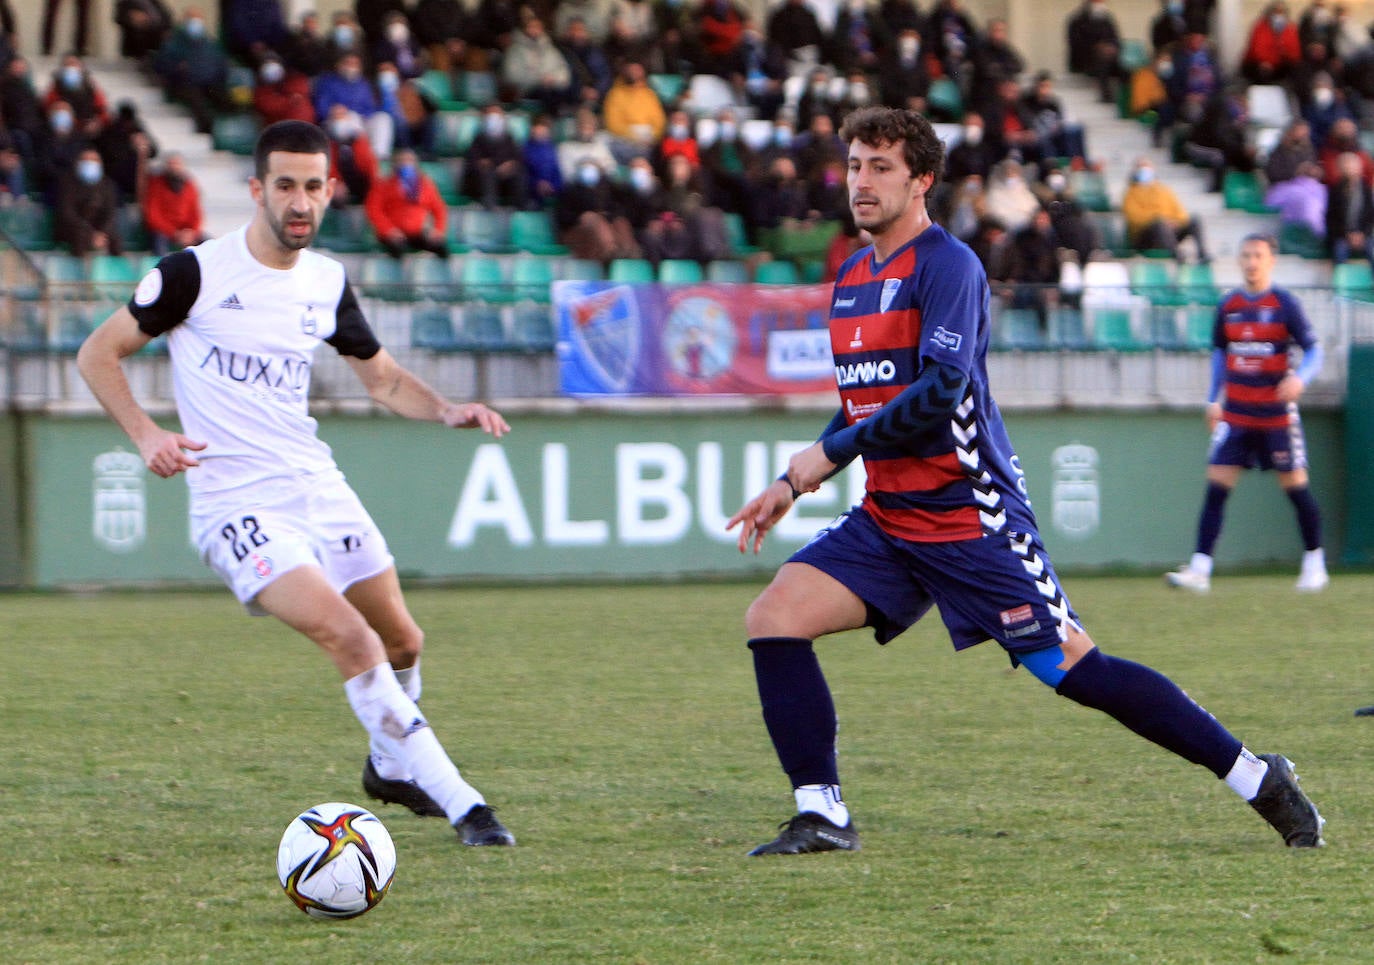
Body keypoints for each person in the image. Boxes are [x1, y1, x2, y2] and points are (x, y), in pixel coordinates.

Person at [726, 106, 1323, 856]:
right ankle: (823, 813)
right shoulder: (850, 279)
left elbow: (938, 394)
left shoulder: (950, 266)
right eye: (853, 166)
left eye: (880, 167)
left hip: (970, 517)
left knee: (1077, 670)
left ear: (922, 181)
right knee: (774, 615)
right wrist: (792, 477)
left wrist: (832, 453)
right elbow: (865, 407)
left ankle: (1256, 776)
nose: (862, 181)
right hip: (889, 519)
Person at [75, 119, 516, 849]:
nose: (300, 201)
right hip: (235, 505)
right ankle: (465, 803)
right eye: (285, 185)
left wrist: (446, 409)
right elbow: (98, 353)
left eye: (314, 186)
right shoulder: (193, 273)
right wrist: (147, 434)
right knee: (352, 638)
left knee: (403, 637)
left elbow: (380, 378)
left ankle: (389, 767)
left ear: (331, 190)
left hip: (315, 483)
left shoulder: (327, 280)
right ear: (257, 190)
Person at [1165, 234, 1328, 594]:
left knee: (1296, 489)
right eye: (1246, 255)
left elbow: (1315, 351)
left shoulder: (1285, 304)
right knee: (1216, 489)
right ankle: (1200, 570)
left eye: (1258, 255)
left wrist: (1300, 379)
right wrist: (1213, 399)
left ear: (1271, 261)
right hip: (1236, 414)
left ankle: (1315, 562)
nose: (1251, 262)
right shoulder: (1229, 306)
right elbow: (1220, 356)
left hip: (1276, 416)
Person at [365, 147, 450, 259]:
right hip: (393, 233)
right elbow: (373, 210)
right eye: (402, 160)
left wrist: (438, 231)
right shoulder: (383, 185)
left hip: (418, 232)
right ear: (395, 163)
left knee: (442, 249)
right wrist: (388, 230)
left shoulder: (425, 185)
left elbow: (439, 209)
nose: (405, 163)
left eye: (409, 160)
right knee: (397, 250)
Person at [1122, 157, 1209, 261]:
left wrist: (1175, 222)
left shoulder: (1164, 190)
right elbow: (1134, 218)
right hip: (1146, 236)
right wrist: (1159, 219)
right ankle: (1177, 254)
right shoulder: (1130, 193)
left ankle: (1202, 253)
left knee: (1194, 220)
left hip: (1169, 231)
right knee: (1159, 224)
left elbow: (1181, 213)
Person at [55, 147, 122, 256]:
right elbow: (67, 213)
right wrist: (91, 233)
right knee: (80, 236)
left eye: (94, 161)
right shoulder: (67, 183)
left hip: (98, 228)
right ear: (78, 163)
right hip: (73, 228)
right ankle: (80, 269)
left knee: (115, 238)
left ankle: (119, 270)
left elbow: (110, 213)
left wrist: (101, 233)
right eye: (86, 160)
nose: (90, 164)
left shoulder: (107, 185)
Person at [142, 152, 206, 255]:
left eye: (177, 164)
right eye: (171, 164)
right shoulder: (156, 185)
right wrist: (174, 233)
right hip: (163, 231)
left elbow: (196, 214)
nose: (174, 167)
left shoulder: (190, 186)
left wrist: (191, 232)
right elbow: (153, 216)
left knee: (208, 243)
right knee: (158, 242)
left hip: (185, 231)